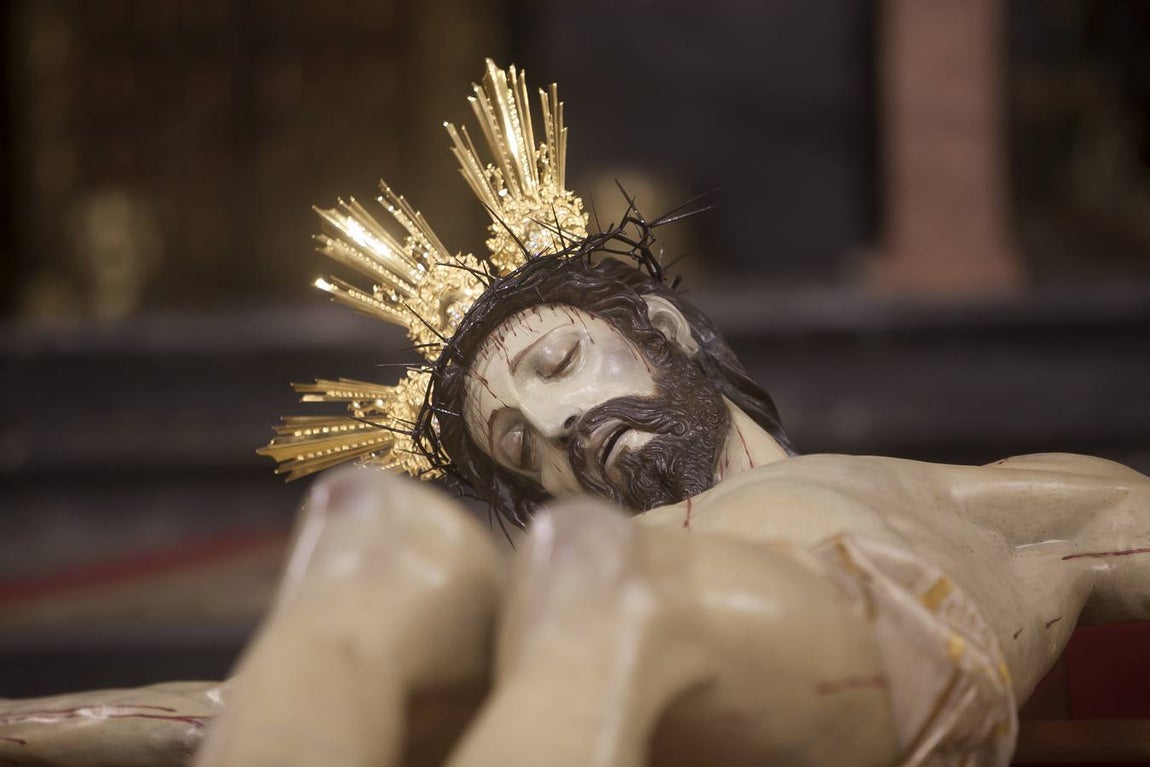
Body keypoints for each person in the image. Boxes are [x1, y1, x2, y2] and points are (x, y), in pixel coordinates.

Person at [3, 61, 1148, 767]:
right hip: (603, 645)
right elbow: (218, 705)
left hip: (869, 647)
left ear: (669, 326)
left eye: (556, 361)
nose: (552, 429)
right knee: (375, 533)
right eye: (515, 443)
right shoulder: (569, 569)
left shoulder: (946, 492)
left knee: (599, 578)